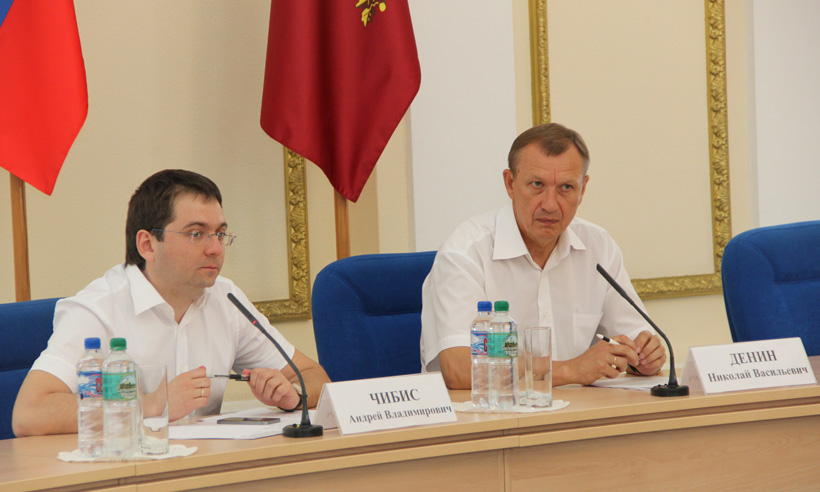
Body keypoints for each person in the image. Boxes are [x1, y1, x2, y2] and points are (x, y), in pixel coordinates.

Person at [12, 169, 330, 437]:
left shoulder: (226, 299)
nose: (216, 249)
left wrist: (292, 395)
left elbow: (314, 376)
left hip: (206, 469)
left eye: (220, 234)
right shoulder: (98, 309)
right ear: (148, 244)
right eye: (196, 234)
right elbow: (29, 414)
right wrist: (153, 404)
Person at [420, 123, 666, 389]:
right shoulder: (465, 252)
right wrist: (571, 369)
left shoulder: (598, 246)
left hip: (581, 410)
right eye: (537, 185)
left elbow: (636, 339)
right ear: (510, 183)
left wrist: (645, 357)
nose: (550, 204)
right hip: (490, 411)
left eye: (566, 187)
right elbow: (458, 369)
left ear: (582, 189)